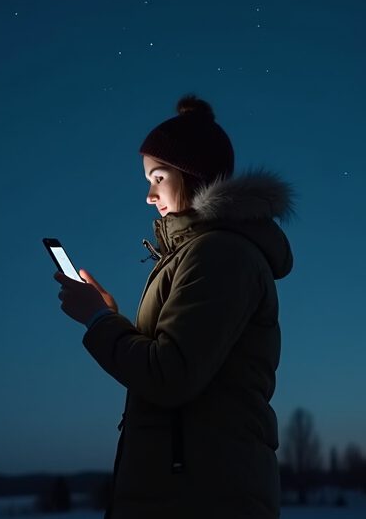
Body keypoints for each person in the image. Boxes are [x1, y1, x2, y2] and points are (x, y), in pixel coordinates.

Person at [53, 94, 295, 518]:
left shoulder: (221, 254)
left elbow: (170, 374)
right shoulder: (197, 254)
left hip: (203, 496)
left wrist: (96, 320)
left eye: (158, 177)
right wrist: (110, 315)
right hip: (184, 489)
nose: (149, 195)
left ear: (193, 176)